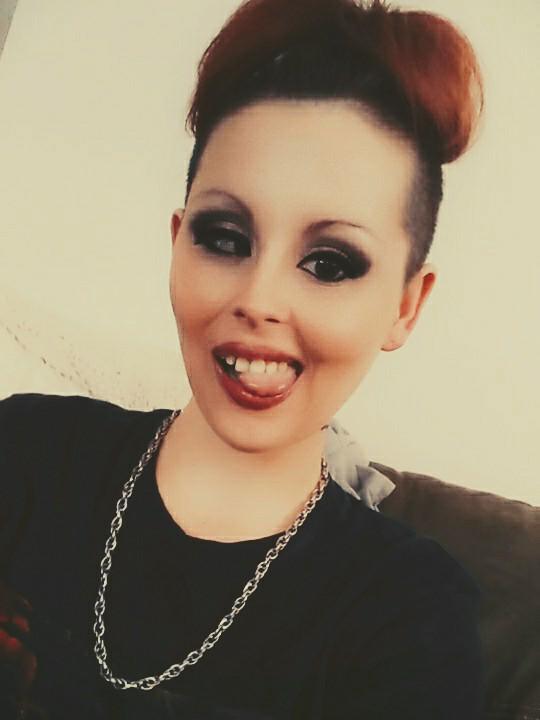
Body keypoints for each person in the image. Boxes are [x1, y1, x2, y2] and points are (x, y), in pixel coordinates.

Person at [0, 0, 486, 717]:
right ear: (177, 243)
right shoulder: (26, 451)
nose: (258, 300)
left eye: (329, 262)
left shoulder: (412, 615)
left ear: (406, 306)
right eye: (225, 239)